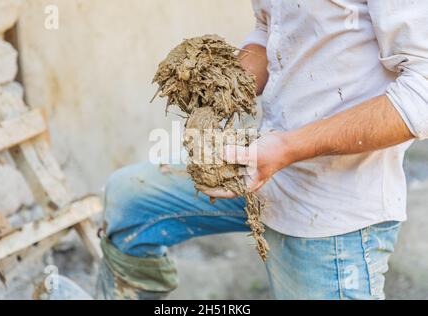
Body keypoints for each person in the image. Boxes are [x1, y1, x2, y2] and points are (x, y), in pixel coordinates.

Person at [96, 0, 428, 300]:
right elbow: (270, 30)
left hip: (331, 212)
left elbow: (422, 94)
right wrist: (223, 87)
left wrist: (287, 148)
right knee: (130, 202)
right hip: (266, 163)